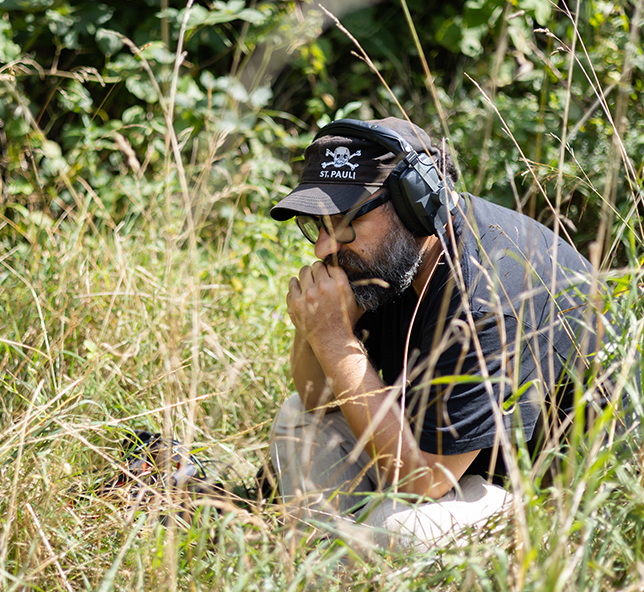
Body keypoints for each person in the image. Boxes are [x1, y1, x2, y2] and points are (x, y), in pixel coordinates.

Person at [267, 116, 623, 549]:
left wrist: (332, 339)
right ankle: (321, 565)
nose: (325, 248)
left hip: (547, 502)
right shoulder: (391, 258)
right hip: (443, 458)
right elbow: (315, 400)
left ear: (414, 202)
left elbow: (426, 480)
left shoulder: (492, 292)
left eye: (342, 222)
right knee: (297, 421)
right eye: (317, 227)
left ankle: (349, 561)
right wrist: (317, 329)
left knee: (398, 530)